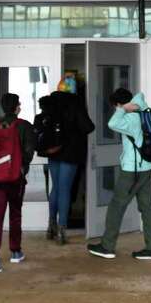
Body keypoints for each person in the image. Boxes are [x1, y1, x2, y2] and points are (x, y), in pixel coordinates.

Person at [87, 88, 151, 261]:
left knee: (116, 206)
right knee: (147, 207)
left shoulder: (130, 118)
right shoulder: (145, 111)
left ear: (119, 104)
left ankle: (107, 246)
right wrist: (128, 106)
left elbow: (112, 124)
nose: (116, 110)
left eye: (117, 106)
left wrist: (122, 109)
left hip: (132, 170)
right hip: (148, 167)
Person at [0, 92, 37, 273]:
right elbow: (28, 152)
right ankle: (15, 252)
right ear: (16, 107)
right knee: (15, 214)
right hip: (15, 179)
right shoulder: (24, 126)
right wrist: (21, 166)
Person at [35, 84, 95, 245]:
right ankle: (62, 229)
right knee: (65, 189)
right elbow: (88, 127)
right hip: (71, 152)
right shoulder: (75, 103)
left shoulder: (50, 102)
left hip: (53, 152)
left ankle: (51, 226)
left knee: (55, 188)